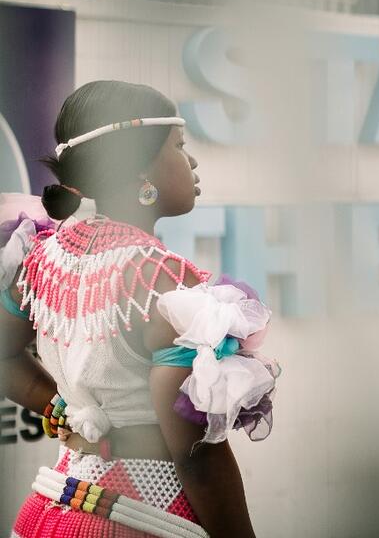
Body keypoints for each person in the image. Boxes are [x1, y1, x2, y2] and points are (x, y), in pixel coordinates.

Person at [0, 81, 279, 538]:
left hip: (46, 511)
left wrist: (64, 407)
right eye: (179, 146)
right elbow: (198, 456)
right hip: (139, 519)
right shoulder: (165, 284)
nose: (191, 162)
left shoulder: (38, 259)